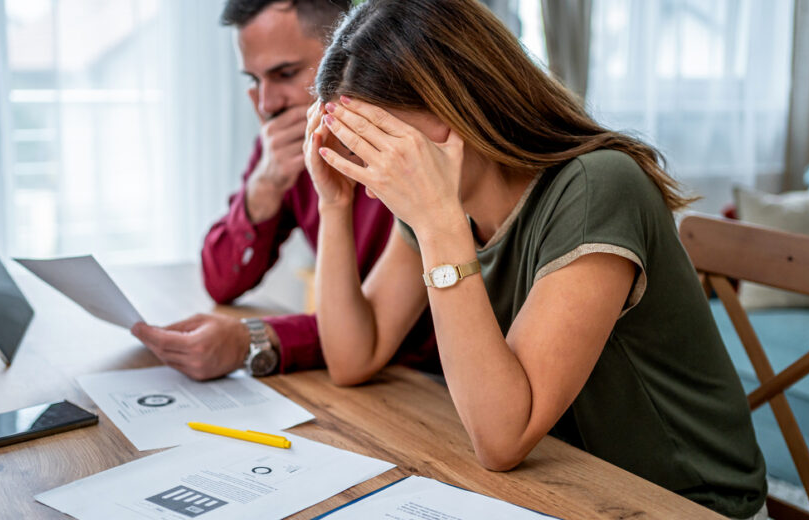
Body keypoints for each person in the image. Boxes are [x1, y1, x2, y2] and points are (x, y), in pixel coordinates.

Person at [303, 0, 767, 518]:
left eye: (383, 143)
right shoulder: (439, 207)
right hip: (566, 485)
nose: (374, 170)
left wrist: (438, 227)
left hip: (685, 502)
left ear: (462, 107)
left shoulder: (597, 187)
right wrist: (334, 203)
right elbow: (351, 358)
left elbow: (501, 439)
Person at [130, 0, 438, 380]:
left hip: (438, 383)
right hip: (379, 379)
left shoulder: (418, 144)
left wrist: (252, 338)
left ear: (351, 50)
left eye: (285, 74)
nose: (266, 103)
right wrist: (264, 185)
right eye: (254, 81)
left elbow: (370, 325)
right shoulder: (285, 149)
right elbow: (222, 281)